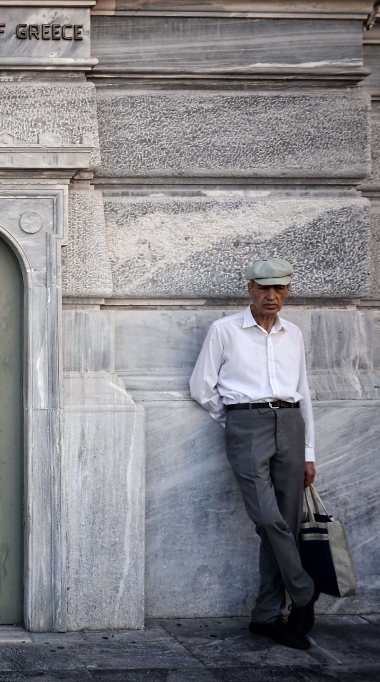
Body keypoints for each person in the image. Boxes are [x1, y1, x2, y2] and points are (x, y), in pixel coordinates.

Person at [190, 258, 319, 650]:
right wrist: (237, 421)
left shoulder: (292, 333)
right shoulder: (224, 330)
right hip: (247, 425)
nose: (271, 295)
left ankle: (265, 617)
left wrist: (309, 450)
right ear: (249, 288)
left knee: (286, 522)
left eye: (279, 288)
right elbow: (202, 386)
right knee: (268, 518)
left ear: (288, 292)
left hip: (292, 425)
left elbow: (304, 390)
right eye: (264, 287)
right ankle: (304, 592)